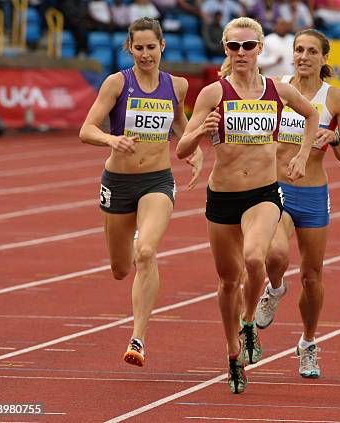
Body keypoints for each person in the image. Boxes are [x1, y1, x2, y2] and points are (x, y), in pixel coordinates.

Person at [175, 17, 318, 394]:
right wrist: (202, 131)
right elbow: (181, 149)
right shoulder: (213, 93)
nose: (241, 53)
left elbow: (312, 115)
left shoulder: (277, 90)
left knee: (255, 259)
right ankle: (233, 352)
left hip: (263, 194)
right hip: (222, 197)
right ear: (225, 49)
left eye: (249, 46)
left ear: (260, 49)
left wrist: (302, 155)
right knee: (226, 281)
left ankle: (250, 320)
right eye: (234, 46)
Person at [79, 17, 203, 368]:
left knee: (146, 253)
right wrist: (110, 138)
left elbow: (180, 125)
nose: (145, 54)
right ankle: (134, 238)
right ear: (129, 48)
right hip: (118, 183)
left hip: (157, 182)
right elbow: (86, 129)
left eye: (151, 47)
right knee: (121, 268)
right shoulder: (117, 83)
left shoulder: (176, 86)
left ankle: (138, 339)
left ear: (162, 46)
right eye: (139, 48)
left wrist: (191, 150)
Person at [253, 28, 340, 379]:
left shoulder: (338, 99)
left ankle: (308, 344)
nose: (304, 56)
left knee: (312, 276)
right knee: (276, 255)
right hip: (276, 186)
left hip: (313, 192)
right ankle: (275, 288)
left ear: (324, 58)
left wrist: (335, 136)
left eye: (312, 51)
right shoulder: (275, 88)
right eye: (299, 50)